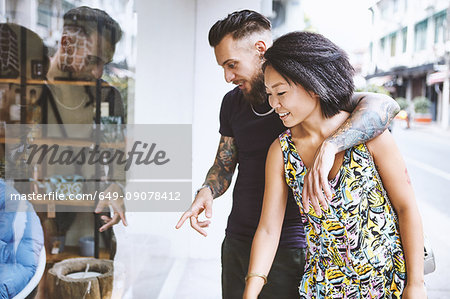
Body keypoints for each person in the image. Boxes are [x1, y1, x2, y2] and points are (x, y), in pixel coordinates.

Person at [176, 10, 400, 299]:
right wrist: (207, 190)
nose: (227, 76)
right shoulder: (233, 103)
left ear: (260, 50)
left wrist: (331, 146)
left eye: (232, 65)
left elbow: (382, 106)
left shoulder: (305, 96)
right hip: (240, 237)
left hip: (295, 246)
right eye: (223, 67)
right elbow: (224, 161)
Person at [244, 31, 426, 299]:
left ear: (313, 86)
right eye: (269, 94)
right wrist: (250, 292)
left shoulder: (371, 136)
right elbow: (269, 229)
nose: (274, 104)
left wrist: (416, 284)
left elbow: (406, 207)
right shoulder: (281, 152)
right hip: (324, 288)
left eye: (281, 92)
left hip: (388, 285)